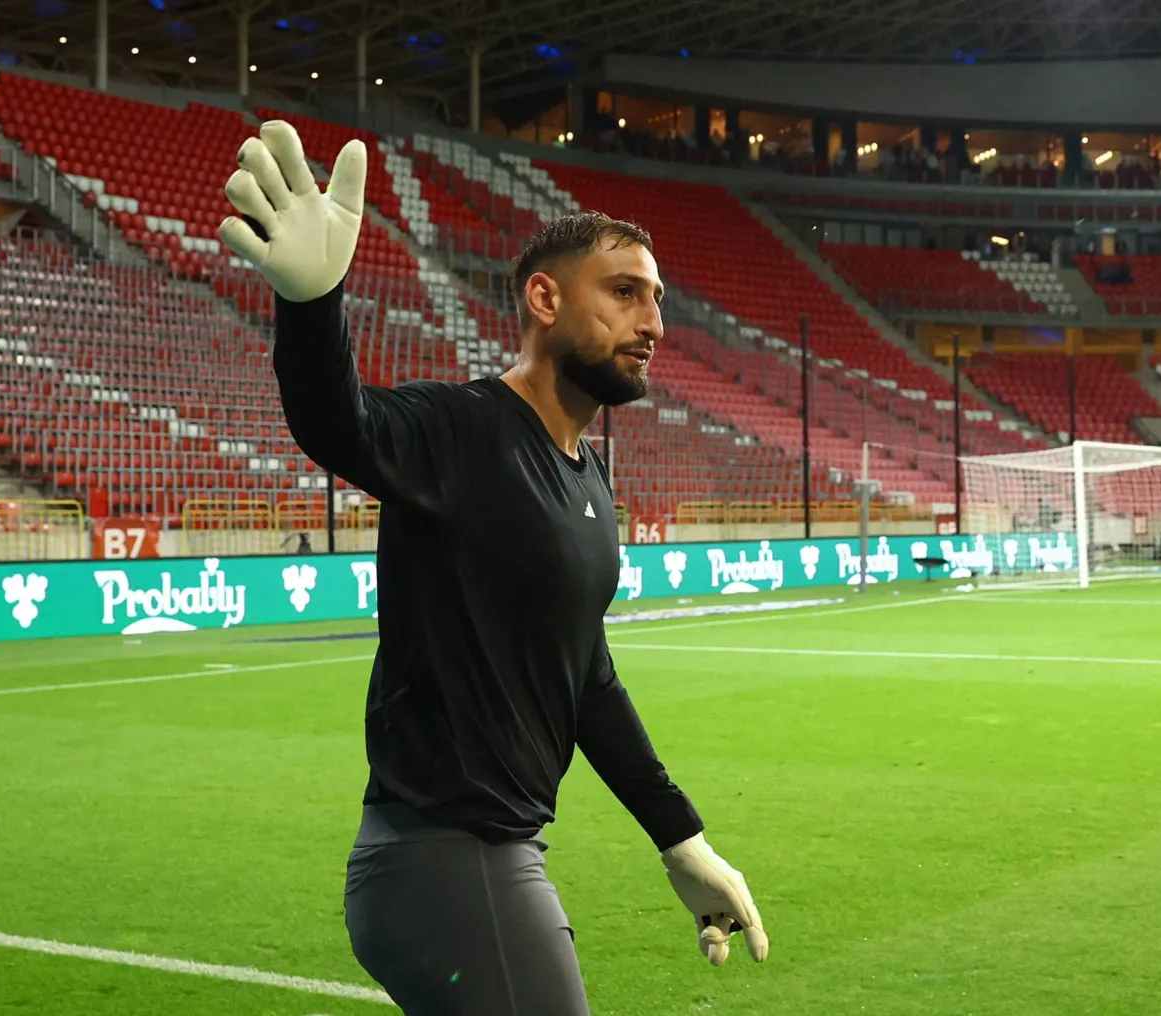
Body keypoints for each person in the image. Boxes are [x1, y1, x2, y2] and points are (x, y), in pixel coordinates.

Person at [219, 121, 767, 1016]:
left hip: (495, 854)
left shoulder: (589, 476)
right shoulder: (466, 430)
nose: (654, 323)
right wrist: (313, 304)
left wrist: (683, 842)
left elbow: (586, 677)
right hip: (441, 858)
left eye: (658, 299)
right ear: (544, 300)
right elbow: (339, 425)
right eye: (625, 293)